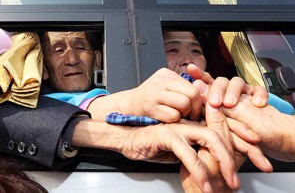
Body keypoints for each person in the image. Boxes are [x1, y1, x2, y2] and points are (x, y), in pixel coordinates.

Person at [0, 31, 271, 192]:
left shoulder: (207, 91)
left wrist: (240, 103)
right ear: (43, 69)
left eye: (80, 47)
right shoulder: (35, 103)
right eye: (58, 50)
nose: (71, 58)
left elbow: (270, 113)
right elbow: (88, 105)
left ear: (98, 57)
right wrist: (129, 108)